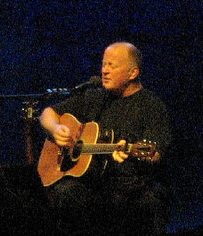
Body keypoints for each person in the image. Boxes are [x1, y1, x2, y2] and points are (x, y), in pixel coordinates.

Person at [39, 42, 172, 235]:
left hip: (131, 185)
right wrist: (56, 128)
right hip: (95, 184)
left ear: (133, 73)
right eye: (103, 64)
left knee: (147, 201)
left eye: (112, 65)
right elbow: (47, 113)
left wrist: (134, 152)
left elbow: (155, 152)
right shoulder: (94, 97)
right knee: (66, 192)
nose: (105, 71)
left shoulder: (152, 106)